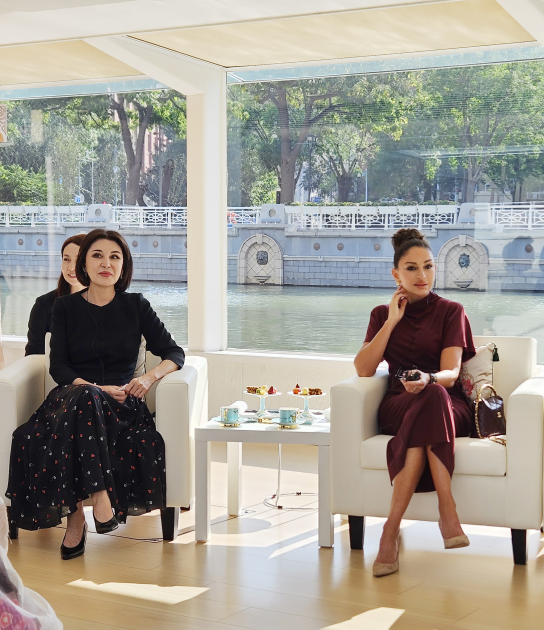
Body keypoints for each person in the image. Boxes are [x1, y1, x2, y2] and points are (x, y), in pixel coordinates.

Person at [6, 229, 185, 560]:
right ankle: (99, 500)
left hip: (121, 405)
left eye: (115, 257)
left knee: (86, 403)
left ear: (123, 266)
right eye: (97, 256)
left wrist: (148, 378)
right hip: (71, 397)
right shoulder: (64, 307)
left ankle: (76, 521)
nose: (106, 263)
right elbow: (58, 367)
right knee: (86, 396)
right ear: (85, 265)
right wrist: (93, 388)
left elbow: (174, 353)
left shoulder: (136, 305)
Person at [354, 228, 475, 577]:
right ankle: (447, 514)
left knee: (433, 395)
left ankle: (392, 529)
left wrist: (428, 379)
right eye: (411, 268)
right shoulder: (381, 314)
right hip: (399, 403)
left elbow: (451, 372)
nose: (422, 275)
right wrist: (392, 321)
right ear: (396, 275)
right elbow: (363, 369)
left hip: (446, 403)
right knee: (423, 406)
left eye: (428, 266)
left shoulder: (452, 311)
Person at [25, 234, 86, 356]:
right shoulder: (44, 305)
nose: (71, 267)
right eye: (66, 259)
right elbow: (34, 354)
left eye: (79, 260)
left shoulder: (109, 303)